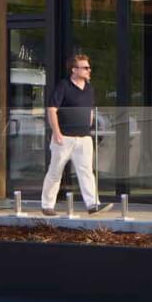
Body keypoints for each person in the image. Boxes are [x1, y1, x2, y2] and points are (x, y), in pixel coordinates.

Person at [41, 52, 105, 215]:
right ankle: (47, 205)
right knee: (55, 171)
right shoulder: (64, 86)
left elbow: (90, 109)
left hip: (84, 137)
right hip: (64, 138)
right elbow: (52, 109)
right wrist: (56, 132)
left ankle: (93, 205)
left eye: (89, 67)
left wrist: (89, 126)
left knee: (86, 172)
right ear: (74, 69)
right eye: (85, 68)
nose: (88, 70)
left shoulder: (90, 88)